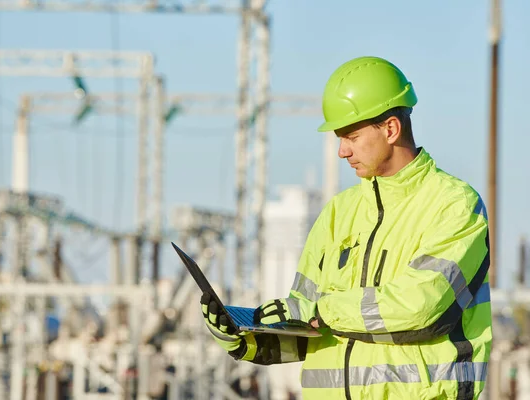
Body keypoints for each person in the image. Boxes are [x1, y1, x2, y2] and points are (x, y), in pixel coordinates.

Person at [200, 56, 492, 400]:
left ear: (391, 129)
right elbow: (307, 331)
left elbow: (422, 308)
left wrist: (320, 310)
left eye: (351, 136)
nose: (342, 151)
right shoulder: (337, 214)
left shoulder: (454, 205)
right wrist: (241, 335)